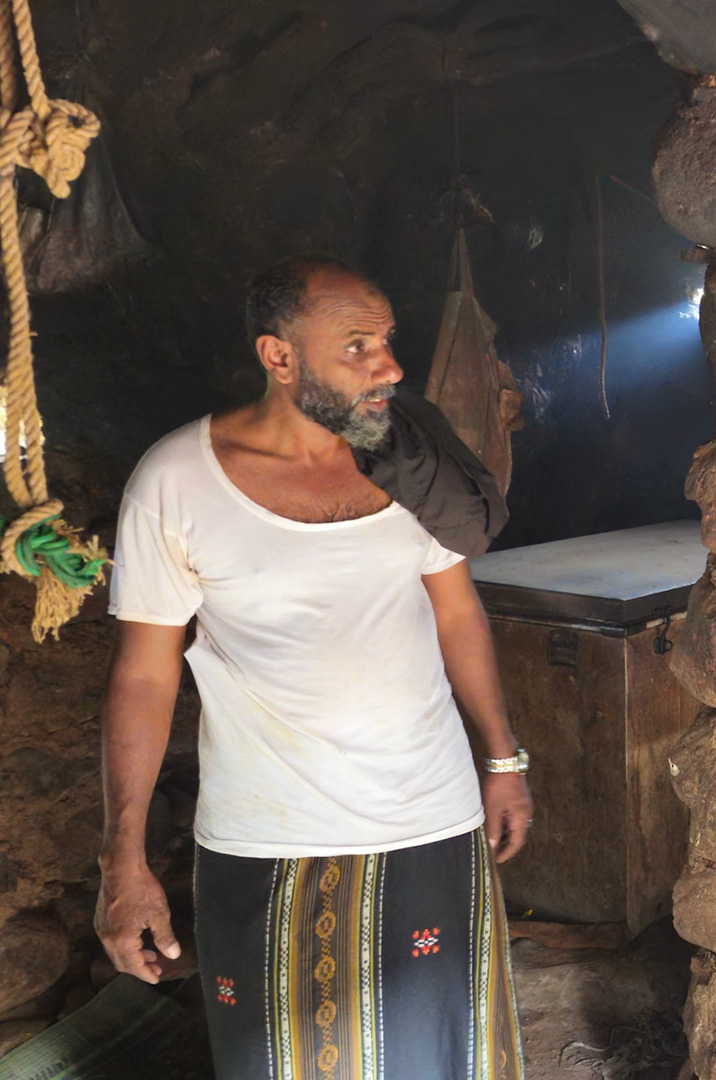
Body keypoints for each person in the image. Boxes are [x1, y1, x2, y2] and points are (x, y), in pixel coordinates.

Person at [94, 255, 534, 1079]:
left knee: (445, 1057)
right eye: (358, 346)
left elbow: (456, 611)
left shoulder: (409, 459)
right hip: (270, 839)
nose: (391, 366)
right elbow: (144, 678)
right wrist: (122, 857)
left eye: (387, 341)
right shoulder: (178, 480)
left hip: (431, 820)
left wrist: (502, 760)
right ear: (279, 356)